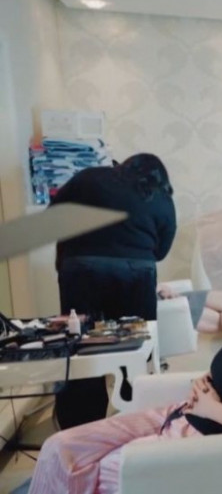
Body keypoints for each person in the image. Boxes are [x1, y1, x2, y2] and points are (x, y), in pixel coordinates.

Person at [29, 237, 222, 494]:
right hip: (180, 413)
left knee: (102, 468)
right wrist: (205, 380)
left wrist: (209, 408)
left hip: (200, 435)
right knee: (60, 447)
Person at [50, 153, 177, 429]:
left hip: (81, 270)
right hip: (135, 273)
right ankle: (136, 420)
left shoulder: (87, 178)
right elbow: (161, 250)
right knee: (136, 348)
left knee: (82, 348)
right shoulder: (160, 195)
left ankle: (80, 429)